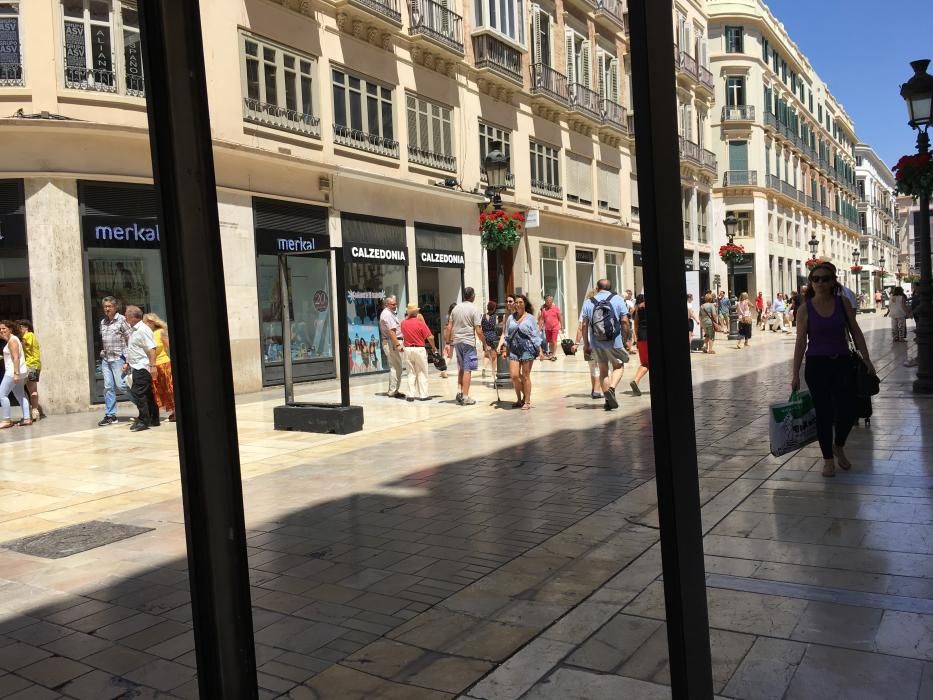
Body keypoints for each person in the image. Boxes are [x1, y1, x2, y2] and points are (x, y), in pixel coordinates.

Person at [792, 262, 875, 478]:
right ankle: (828, 459)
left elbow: (855, 331)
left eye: (825, 278)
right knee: (824, 414)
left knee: (848, 411)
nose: (820, 282)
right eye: (816, 279)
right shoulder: (804, 309)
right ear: (811, 282)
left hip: (842, 363)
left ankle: (839, 445)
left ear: (832, 282)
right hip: (816, 365)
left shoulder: (843, 303)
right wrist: (794, 374)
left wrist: (866, 358)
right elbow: (801, 342)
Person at [581, 279, 631, 411]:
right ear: (611, 288)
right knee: (618, 366)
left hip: (596, 342)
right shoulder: (618, 299)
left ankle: (608, 401)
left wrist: (586, 344)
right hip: (615, 341)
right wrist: (626, 339)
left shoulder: (589, 302)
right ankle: (612, 388)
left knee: (603, 371)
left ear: (597, 288)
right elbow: (625, 321)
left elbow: (584, 325)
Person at [501, 294, 543, 409]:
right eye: (517, 302)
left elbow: (535, 335)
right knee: (514, 376)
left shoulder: (530, 318)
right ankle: (521, 397)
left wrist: (540, 350)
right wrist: (505, 349)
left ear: (525, 304)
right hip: (514, 349)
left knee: (525, 376)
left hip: (527, 349)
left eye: (521, 302)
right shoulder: (511, 318)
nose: (518, 304)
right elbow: (508, 335)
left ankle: (527, 401)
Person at [448, 287, 488, 405]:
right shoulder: (474, 309)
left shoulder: (455, 309)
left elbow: (449, 326)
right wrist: (485, 344)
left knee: (461, 368)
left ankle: (460, 392)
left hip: (457, 342)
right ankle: (465, 397)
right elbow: (478, 330)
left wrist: (447, 342)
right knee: (467, 369)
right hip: (468, 342)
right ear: (473, 296)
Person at [123, 306, 159, 432]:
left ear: (133, 316)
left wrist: (153, 366)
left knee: (138, 393)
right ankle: (154, 418)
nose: (125, 316)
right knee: (147, 394)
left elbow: (151, 348)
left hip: (142, 367)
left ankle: (144, 420)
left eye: (126, 314)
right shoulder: (134, 330)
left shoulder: (143, 330)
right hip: (136, 366)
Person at [98, 296, 132, 426]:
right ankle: (110, 415)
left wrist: (127, 361)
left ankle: (143, 406)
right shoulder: (103, 322)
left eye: (109, 306)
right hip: (106, 359)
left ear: (115, 307)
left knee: (122, 385)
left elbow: (130, 340)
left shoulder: (122, 321)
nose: (107, 309)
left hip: (119, 359)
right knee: (108, 387)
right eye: (105, 307)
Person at [400, 303, 437, 401]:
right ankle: (423, 395)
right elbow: (430, 337)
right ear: (416, 312)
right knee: (422, 372)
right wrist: (434, 347)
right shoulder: (420, 323)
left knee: (410, 372)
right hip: (419, 349)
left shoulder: (403, 323)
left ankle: (410, 395)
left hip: (407, 349)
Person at [143, 313, 175, 422]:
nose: (143, 324)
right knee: (160, 390)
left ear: (152, 322)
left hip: (165, 364)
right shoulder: (147, 335)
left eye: (145, 322)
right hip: (153, 366)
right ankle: (173, 411)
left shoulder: (160, 332)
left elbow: (170, 347)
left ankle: (176, 411)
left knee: (170, 388)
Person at [0, 320, 30, 428]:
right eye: (0, 329)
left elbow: (16, 357)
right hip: (19, 371)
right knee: (20, 395)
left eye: (4, 328)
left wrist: (16, 373)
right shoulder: (13, 340)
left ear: (10, 329)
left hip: (13, 372)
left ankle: (7, 420)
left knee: (2, 395)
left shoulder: (12, 340)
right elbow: (13, 355)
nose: (1, 331)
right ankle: (27, 418)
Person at [574, 288, 602, 399]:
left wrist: (577, 342)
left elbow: (581, 327)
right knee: (601, 368)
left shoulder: (586, 306)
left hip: (589, 343)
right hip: (602, 342)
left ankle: (594, 389)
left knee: (592, 367)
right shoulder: (603, 306)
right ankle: (597, 390)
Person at [378, 295, 405, 399]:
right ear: (386, 305)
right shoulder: (387, 314)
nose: (395, 305)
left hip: (391, 342)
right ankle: (393, 391)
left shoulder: (389, 313)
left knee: (397, 367)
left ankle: (394, 390)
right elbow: (391, 331)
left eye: (396, 303)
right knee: (395, 367)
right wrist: (397, 344)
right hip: (391, 342)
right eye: (393, 304)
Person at [16, 319, 42, 421]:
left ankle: (34, 411)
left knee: (31, 389)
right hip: (33, 365)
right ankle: (33, 411)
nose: (18, 329)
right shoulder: (31, 335)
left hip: (31, 365)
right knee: (30, 389)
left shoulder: (29, 335)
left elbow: (23, 343)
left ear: (25, 327)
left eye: (19, 327)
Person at [630, 294, 648, 397]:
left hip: (641, 337)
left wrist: (637, 339)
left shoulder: (638, 308)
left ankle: (636, 380)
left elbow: (636, 324)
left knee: (645, 363)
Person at [538, 295, 562, 361]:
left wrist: (562, 326)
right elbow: (542, 319)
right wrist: (539, 328)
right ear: (545, 301)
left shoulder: (556, 308)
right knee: (550, 342)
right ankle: (551, 354)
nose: (548, 302)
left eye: (550, 301)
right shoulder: (544, 310)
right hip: (547, 328)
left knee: (554, 341)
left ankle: (554, 355)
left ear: (552, 301)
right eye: (547, 301)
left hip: (555, 327)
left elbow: (560, 317)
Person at [481, 301, 499, 377]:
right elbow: (497, 325)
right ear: (494, 308)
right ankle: (493, 372)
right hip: (493, 336)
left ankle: (484, 368)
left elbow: (481, 326)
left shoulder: (484, 316)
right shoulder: (495, 316)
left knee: (486, 354)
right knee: (494, 356)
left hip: (485, 336)